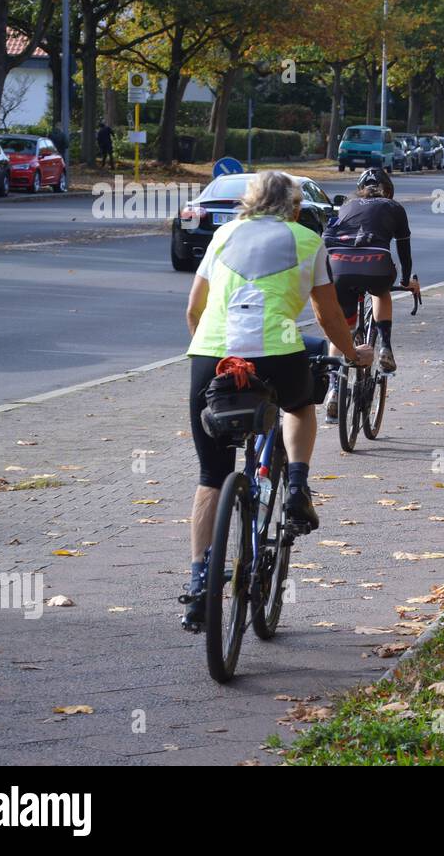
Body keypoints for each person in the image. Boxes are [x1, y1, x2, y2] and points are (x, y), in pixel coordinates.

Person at [182, 170, 374, 628]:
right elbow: (328, 317)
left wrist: (213, 354)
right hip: (279, 352)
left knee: (212, 474)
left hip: (214, 357)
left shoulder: (224, 234)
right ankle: (297, 486)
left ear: (247, 203)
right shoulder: (307, 239)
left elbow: (194, 309)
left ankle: (198, 583)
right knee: (298, 406)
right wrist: (354, 354)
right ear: (293, 206)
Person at [319, 166, 419, 420]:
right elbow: (404, 251)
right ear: (388, 191)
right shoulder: (394, 208)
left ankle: (333, 389)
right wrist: (407, 280)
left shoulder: (346, 206)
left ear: (360, 189)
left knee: (342, 330)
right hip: (376, 264)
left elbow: (326, 238)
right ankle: (385, 346)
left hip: (339, 266)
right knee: (381, 291)